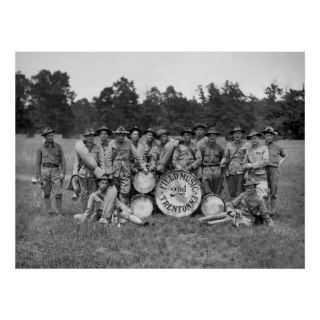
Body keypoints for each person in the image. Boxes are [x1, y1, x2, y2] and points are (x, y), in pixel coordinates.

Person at [74, 176, 150, 226]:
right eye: (102, 183)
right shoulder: (93, 196)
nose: (103, 185)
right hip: (99, 214)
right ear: (98, 183)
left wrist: (125, 209)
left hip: (112, 212)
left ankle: (141, 223)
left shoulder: (110, 193)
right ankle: (80, 219)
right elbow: (88, 210)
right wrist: (82, 221)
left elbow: (118, 203)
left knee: (126, 215)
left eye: (105, 183)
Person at [199, 178, 274, 227]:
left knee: (228, 220)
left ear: (255, 188)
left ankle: (208, 224)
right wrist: (230, 211)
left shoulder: (259, 199)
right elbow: (232, 204)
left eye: (251, 188)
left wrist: (269, 223)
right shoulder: (243, 195)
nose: (248, 190)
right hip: (239, 214)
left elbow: (264, 214)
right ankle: (203, 219)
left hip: (249, 220)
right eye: (247, 188)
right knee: (223, 214)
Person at [105, 125, 149, 205]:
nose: (120, 136)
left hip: (125, 172)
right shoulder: (112, 144)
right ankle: (114, 211)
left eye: (122, 135)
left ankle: (123, 211)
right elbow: (107, 159)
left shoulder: (129, 144)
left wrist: (144, 167)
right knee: (114, 192)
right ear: (116, 135)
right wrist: (109, 173)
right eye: (119, 135)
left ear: (125, 136)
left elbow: (137, 156)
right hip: (114, 173)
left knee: (125, 192)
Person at [72, 128, 105, 211]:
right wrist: (75, 173)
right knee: (83, 194)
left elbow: (102, 162)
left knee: (93, 194)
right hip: (82, 174)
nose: (90, 137)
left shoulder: (98, 147)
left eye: (92, 136)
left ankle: (92, 212)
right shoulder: (81, 148)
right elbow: (76, 161)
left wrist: (103, 174)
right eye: (88, 136)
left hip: (93, 174)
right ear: (85, 137)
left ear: (94, 137)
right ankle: (84, 212)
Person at [35, 127, 66, 215]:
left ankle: (58, 212)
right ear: (45, 136)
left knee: (58, 193)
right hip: (45, 171)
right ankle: (49, 212)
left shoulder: (58, 146)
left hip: (56, 171)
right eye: (48, 135)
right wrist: (39, 176)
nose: (50, 137)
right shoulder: (40, 148)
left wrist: (63, 172)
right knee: (46, 193)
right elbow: (37, 163)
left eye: (52, 135)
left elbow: (63, 161)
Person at [262, 126, 287, 215]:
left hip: (274, 171)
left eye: (271, 136)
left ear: (273, 136)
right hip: (264, 170)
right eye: (268, 135)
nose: (269, 137)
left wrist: (278, 164)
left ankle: (273, 211)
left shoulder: (278, 147)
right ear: (265, 136)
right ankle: (265, 210)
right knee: (265, 190)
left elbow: (285, 155)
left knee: (273, 190)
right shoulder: (262, 147)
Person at [221, 125, 248, 199]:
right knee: (232, 190)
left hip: (241, 170)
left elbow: (248, 157)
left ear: (241, 134)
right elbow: (225, 157)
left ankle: (241, 208)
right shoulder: (229, 145)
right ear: (233, 135)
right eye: (235, 133)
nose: (237, 135)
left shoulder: (246, 145)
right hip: (231, 170)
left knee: (241, 190)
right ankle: (233, 208)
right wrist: (222, 162)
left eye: (239, 133)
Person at [242, 129, 269, 199]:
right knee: (251, 198)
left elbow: (265, 162)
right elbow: (244, 162)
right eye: (251, 139)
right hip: (251, 177)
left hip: (261, 177)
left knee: (263, 197)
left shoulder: (264, 148)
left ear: (258, 138)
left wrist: (252, 165)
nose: (253, 140)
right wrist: (245, 166)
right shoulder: (248, 150)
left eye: (255, 138)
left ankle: (265, 210)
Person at [199, 127, 224, 196]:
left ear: (216, 136)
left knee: (217, 189)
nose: (212, 137)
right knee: (206, 189)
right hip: (206, 168)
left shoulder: (220, 148)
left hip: (217, 169)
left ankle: (216, 204)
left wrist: (221, 170)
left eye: (214, 135)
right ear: (208, 136)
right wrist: (201, 171)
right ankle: (207, 204)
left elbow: (223, 159)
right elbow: (200, 160)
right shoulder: (203, 147)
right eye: (210, 135)